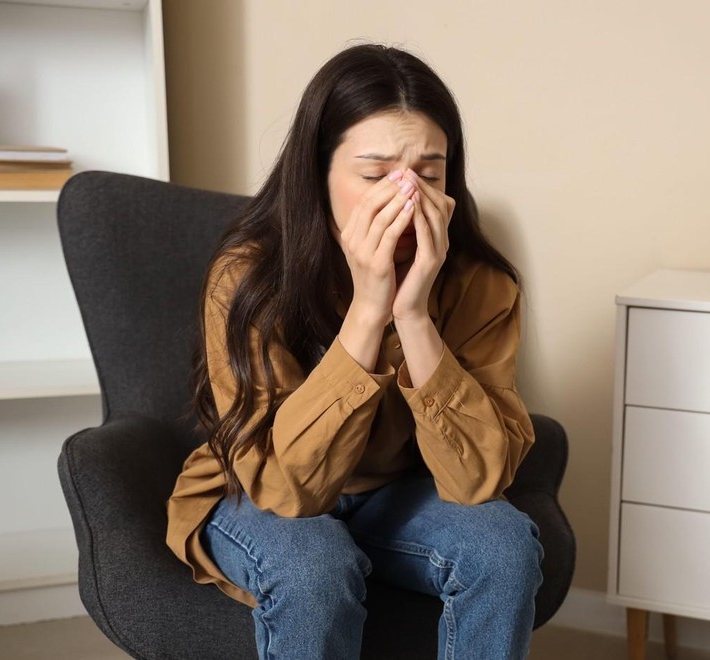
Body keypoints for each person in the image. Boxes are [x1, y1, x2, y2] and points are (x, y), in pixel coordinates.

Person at [165, 43, 543, 659]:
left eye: (430, 172)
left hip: (394, 491)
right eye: (375, 175)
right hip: (258, 485)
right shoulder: (248, 276)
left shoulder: (481, 280)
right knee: (313, 563)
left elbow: (478, 479)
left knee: (503, 546)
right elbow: (290, 492)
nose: (406, 197)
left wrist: (412, 313)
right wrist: (368, 310)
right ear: (319, 176)